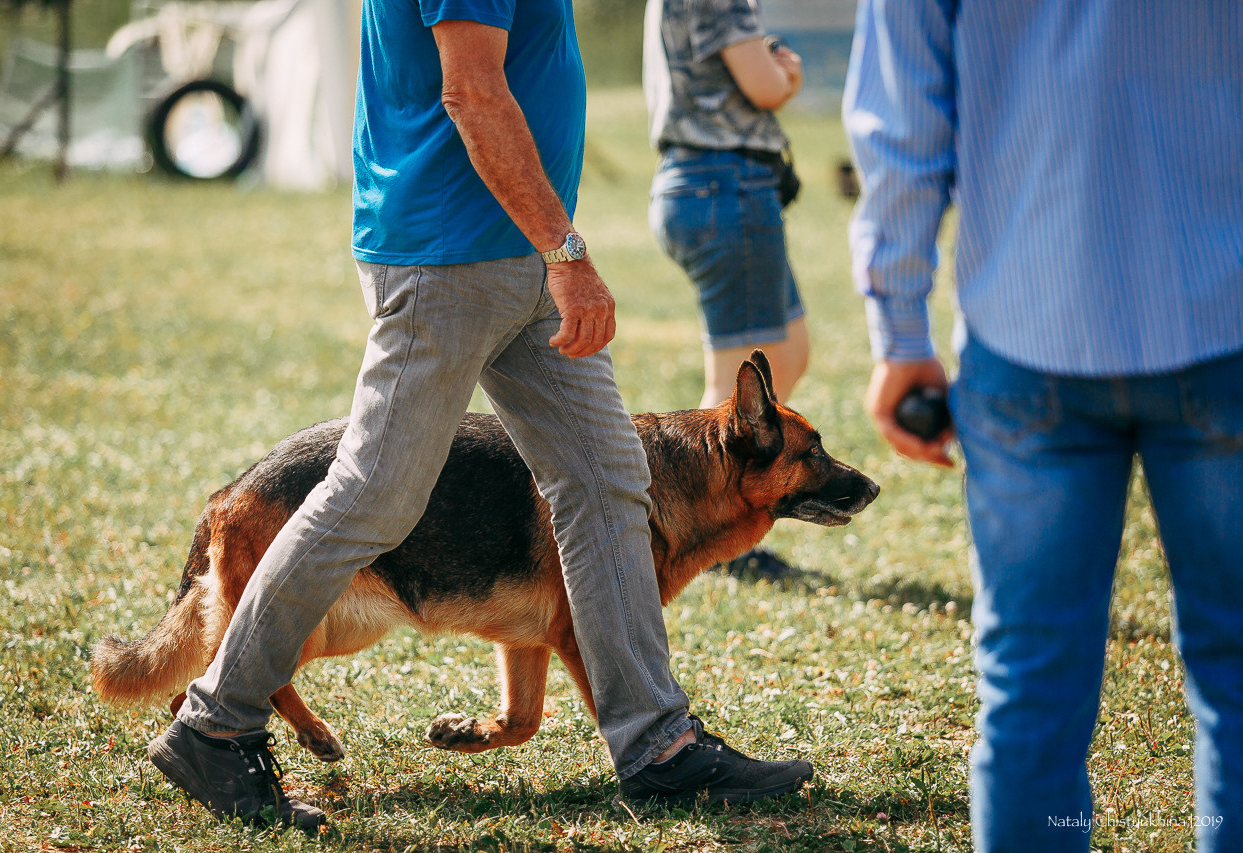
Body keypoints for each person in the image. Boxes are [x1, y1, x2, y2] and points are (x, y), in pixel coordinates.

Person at [141, 0, 814, 828]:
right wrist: (565, 251)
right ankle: (216, 722)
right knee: (372, 496)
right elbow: (472, 91)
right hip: (450, 257)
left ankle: (658, 747)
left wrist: (549, 248)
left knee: (608, 481)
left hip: (518, 250)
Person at [842, 3, 1243, 851]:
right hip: (1223, 318)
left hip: (1028, 327)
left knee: (1031, 681)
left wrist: (899, 333)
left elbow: (901, 122)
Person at [643, 0, 807, 578]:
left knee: (786, 349)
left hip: (712, 181)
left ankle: (720, 516)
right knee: (740, 372)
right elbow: (763, 86)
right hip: (723, 182)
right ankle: (715, 534)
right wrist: (787, 74)